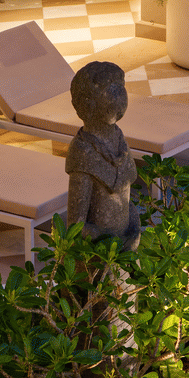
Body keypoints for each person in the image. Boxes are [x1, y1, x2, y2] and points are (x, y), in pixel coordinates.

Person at [64, 60, 141, 250]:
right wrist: (111, 242)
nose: (120, 96)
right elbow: (76, 226)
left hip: (126, 245)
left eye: (120, 87)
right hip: (100, 254)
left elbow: (126, 200)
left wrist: (133, 230)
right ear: (88, 104)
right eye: (109, 90)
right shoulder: (83, 152)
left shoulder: (117, 139)